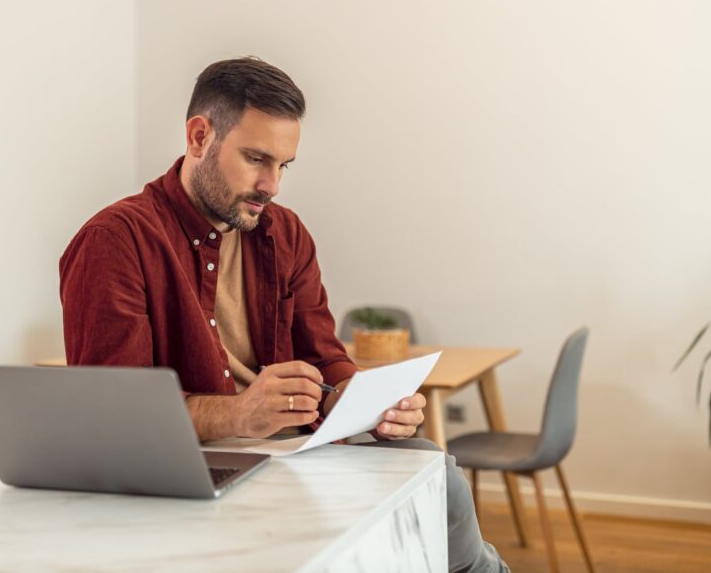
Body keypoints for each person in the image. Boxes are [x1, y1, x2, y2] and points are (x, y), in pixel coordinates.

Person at [59, 57, 509, 573]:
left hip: (293, 456)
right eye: (256, 159)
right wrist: (239, 415)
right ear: (199, 136)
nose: (272, 185)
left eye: (283, 166)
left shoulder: (286, 234)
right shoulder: (115, 242)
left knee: (433, 472)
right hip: (196, 475)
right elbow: (111, 417)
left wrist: (371, 406)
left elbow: (326, 359)